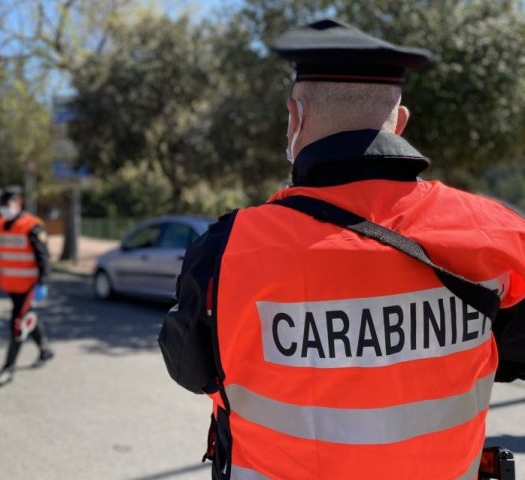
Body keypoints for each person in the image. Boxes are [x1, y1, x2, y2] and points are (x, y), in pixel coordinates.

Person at [159, 19, 525, 480]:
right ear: (402, 123)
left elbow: (189, 368)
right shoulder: (501, 234)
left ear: (295, 119)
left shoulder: (226, 248)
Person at [0, 186, 54, 387]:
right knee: (28, 318)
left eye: (8, 205)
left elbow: (43, 257)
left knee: (18, 324)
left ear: (18, 204)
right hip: (11, 285)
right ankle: (45, 349)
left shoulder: (32, 226)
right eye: (2, 205)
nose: (5, 209)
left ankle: (7, 369)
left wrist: (43, 283)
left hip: (29, 286)